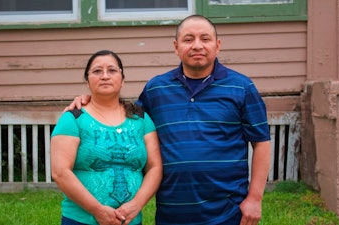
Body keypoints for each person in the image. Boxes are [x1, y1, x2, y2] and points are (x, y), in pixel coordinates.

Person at [66, 15, 271, 225]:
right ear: (176, 46)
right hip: (172, 212)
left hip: (227, 211)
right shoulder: (157, 89)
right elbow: (124, 117)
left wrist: (255, 198)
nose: (197, 45)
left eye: (205, 39)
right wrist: (92, 101)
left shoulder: (241, 87)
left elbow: (261, 142)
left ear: (217, 46)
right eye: (188, 39)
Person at [51, 50, 162, 225]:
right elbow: (60, 172)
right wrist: (98, 210)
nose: (104, 76)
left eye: (112, 70)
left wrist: (136, 204)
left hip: (130, 220)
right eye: (97, 71)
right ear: (87, 81)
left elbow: (155, 167)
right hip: (82, 220)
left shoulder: (140, 119)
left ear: (122, 80)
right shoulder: (73, 119)